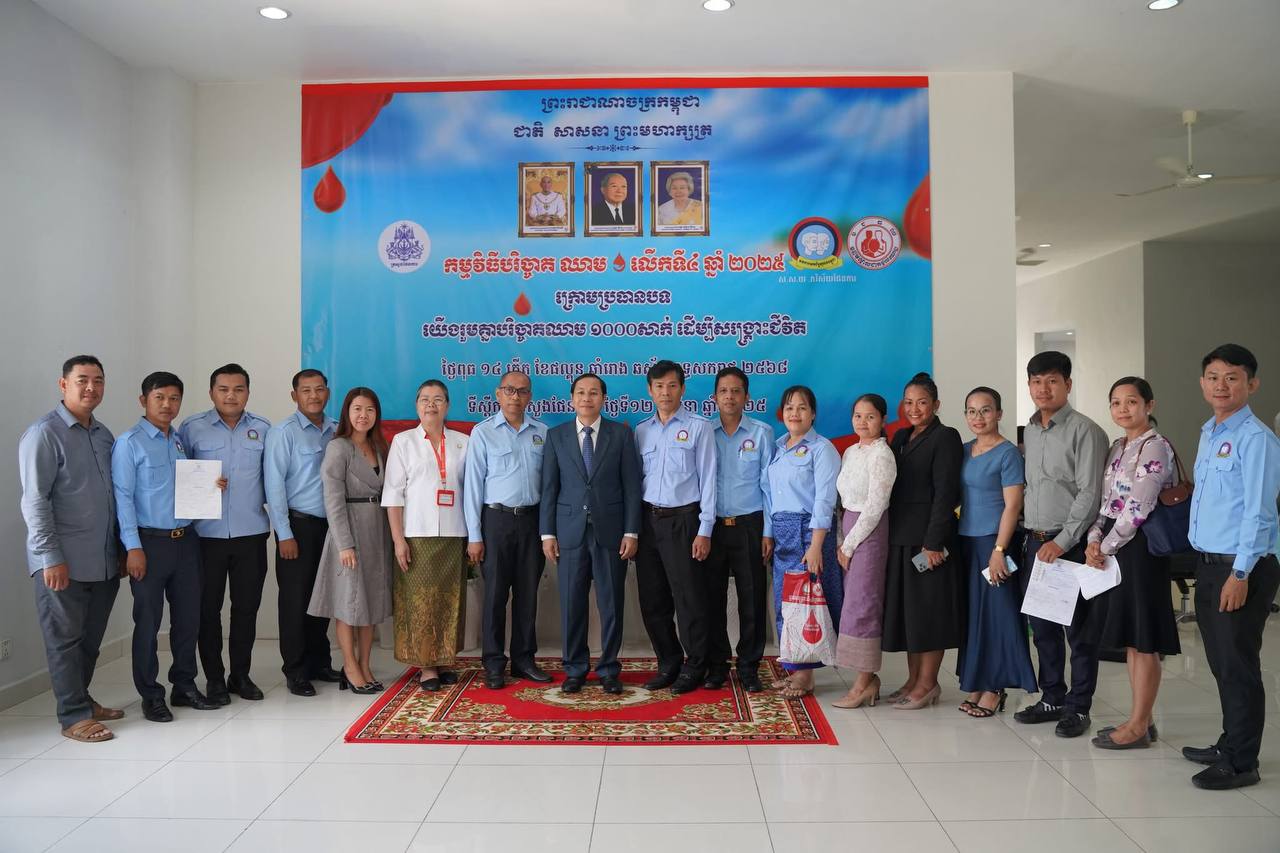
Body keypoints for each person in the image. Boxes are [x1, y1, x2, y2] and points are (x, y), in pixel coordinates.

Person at [1182, 344, 1280, 789]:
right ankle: (1230, 743)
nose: (1221, 385)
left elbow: (1259, 512)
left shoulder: (1256, 439)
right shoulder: (1211, 432)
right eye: (1213, 377)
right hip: (1209, 564)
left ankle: (1242, 763)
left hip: (1241, 568)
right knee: (1221, 663)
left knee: (1238, 665)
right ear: (1203, 384)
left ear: (1251, 384)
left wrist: (1240, 574)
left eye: (1232, 377)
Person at [18, 355, 123, 742]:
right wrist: (50, 557)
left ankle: (83, 699)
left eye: (98, 380)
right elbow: (35, 502)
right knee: (64, 642)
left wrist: (120, 549)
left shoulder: (104, 435)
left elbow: (114, 497)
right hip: (62, 561)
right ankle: (73, 716)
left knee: (89, 641)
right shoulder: (43, 434)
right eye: (82, 380)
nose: (91, 387)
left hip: (103, 559)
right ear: (64, 385)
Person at [112, 371, 219, 722]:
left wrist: (212, 486)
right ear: (144, 400)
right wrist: (132, 547)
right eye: (159, 397)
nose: (167, 404)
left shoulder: (179, 441)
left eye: (174, 398)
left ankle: (184, 686)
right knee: (148, 622)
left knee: (188, 619)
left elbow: (187, 488)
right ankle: (150, 694)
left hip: (186, 541)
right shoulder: (129, 443)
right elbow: (123, 498)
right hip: (149, 543)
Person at [1013, 352, 1109, 738]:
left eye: (1052, 380)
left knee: (1078, 633)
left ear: (1067, 384)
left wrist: (1062, 540)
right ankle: (1052, 697)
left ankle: (1079, 707)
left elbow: (1090, 493)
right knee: (1043, 628)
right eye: (1036, 381)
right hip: (1035, 542)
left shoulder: (1086, 431)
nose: (1043, 388)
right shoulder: (1031, 430)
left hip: (1070, 544)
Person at [1084, 377, 1179, 749]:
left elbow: (1139, 507)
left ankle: (1138, 726)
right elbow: (1106, 503)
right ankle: (1143, 718)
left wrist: (1106, 546)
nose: (1123, 409)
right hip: (1116, 545)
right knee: (1131, 640)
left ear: (1149, 406)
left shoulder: (1156, 446)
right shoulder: (1117, 447)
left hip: (1140, 550)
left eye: (1131, 402)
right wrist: (1094, 540)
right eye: (1116, 402)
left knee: (1143, 640)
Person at [540, 373, 642, 694]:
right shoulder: (556, 436)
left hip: (611, 533)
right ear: (572, 398)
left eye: (594, 393)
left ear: (603, 398)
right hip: (569, 533)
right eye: (581, 393)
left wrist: (631, 531)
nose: (587, 398)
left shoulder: (621, 435)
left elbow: (631, 487)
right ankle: (575, 668)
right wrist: (547, 534)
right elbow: (549, 488)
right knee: (572, 604)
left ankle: (609, 669)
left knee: (611, 604)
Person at [177, 363, 271, 704]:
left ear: (248, 392)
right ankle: (215, 679)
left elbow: (272, 480)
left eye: (238, 389)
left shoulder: (263, 429)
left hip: (251, 533)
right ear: (211, 392)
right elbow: (179, 476)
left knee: (246, 609)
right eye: (224, 389)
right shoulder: (192, 429)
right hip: (206, 537)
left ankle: (240, 675)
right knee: (208, 610)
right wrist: (203, 484)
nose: (231, 396)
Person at [463, 370, 551, 690]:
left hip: (531, 521)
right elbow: (472, 487)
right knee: (496, 596)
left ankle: (524, 660)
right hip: (496, 521)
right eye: (509, 390)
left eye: (522, 391)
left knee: (527, 595)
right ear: (498, 394)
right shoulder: (483, 432)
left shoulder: (542, 432)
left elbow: (549, 486)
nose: (516, 396)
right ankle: (493, 663)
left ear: (530, 396)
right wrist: (475, 536)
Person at [634, 360, 717, 694]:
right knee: (653, 598)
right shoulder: (642, 430)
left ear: (682, 389)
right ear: (649, 390)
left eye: (671, 385)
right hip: (648, 521)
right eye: (659, 386)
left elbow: (709, 479)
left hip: (685, 520)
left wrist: (705, 529)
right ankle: (668, 662)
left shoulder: (699, 427)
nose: (665, 392)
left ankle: (695, 665)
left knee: (689, 598)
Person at [883, 372, 964, 710]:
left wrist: (933, 543)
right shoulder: (901, 437)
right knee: (910, 615)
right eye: (909, 402)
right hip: (901, 538)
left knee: (929, 613)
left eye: (922, 402)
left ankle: (929, 683)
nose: (914, 409)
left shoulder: (946, 437)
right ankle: (912, 680)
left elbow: (946, 493)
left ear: (936, 404)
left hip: (930, 542)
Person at [382, 380, 469, 691]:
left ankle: (445, 659)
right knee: (420, 601)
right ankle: (427, 665)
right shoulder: (403, 442)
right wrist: (398, 540)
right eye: (425, 399)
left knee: (449, 599)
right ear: (416, 405)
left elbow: (472, 490)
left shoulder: (463, 442)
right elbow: (393, 494)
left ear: (447, 405)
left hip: (455, 534)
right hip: (416, 535)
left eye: (438, 399)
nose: (431, 405)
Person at [307, 387, 394, 694]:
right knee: (348, 603)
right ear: (347, 412)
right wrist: (345, 544)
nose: (363, 415)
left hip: (378, 532)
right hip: (350, 532)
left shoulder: (379, 446)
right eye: (357, 409)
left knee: (370, 603)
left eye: (369, 410)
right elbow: (332, 500)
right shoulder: (338, 448)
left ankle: (365, 664)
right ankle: (349, 665)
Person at [955, 387, 1036, 718]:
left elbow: (1013, 506)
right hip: (966, 542)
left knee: (1000, 615)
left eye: (986, 410)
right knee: (975, 616)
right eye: (972, 411)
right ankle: (978, 681)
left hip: (995, 543)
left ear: (999, 414)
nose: (978, 417)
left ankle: (995, 687)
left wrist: (999, 549)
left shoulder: (1008, 454)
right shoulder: (964, 450)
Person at [265, 369, 340, 697]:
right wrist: (284, 533)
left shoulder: (337, 429)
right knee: (295, 601)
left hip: (331, 527)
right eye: (306, 390)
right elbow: (274, 486)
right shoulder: (283, 433)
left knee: (322, 597)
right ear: (294, 395)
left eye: (319, 389)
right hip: (298, 527)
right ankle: (295, 670)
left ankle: (319, 662)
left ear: (328, 393)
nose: (313, 396)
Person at [765, 385, 842, 700]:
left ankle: (806, 675)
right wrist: (769, 533)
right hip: (781, 532)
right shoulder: (777, 447)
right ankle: (795, 668)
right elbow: (769, 496)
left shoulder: (822, 449)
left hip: (808, 532)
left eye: (801, 407)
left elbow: (825, 500)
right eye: (789, 407)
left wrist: (815, 545)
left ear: (813, 414)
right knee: (785, 603)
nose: (794, 413)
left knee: (806, 603)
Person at [705, 366, 773, 693]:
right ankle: (717, 665)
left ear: (747, 397)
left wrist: (768, 531)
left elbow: (769, 487)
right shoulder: (704, 432)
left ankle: (748, 666)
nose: (729, 397)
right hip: (713, 527)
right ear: (714, 397)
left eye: (736, 391)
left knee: (752, 599)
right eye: (723, 391)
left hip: (750, 525)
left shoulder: (761, 433)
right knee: (712, 599)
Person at [831, 393, 896, 709]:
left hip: (869, 532)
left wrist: (850, 543)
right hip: (849, 530)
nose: (863, 422)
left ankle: (865, 681)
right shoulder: (851, 452)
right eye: (858, 416)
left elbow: (875, 506)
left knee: (864, 604)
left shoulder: (882, 455)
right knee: (852, 603)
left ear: (883, 420)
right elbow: (843, 502)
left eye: (870, 416)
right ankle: (865, 678)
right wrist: (841, 539)